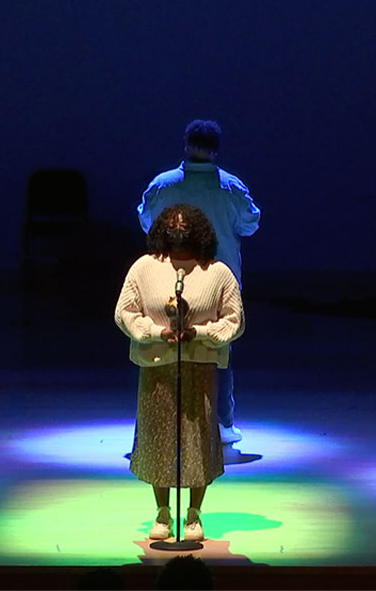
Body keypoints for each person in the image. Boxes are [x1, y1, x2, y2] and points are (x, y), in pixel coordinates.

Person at [115, 204, 244, 542]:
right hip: (157, 366)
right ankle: (161, 511)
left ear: (199, 231)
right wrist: (156, 333)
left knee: (197, 439)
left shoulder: (217, 273)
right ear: (161, 229)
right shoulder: (144, 268)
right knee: (159, 437)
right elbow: (124, 312)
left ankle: (194, 513)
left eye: (185, 224)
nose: (178, 229)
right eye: (172, 223)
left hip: (198, 366)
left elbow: (235, 320)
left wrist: (200, 333)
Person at [137, 119, 260, 445]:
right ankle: (220, 423)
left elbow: (146, 221)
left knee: (167, 347)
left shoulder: (164, 185)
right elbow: (250, 224)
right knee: (218, 349)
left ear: (185, 144)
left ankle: (167, 420)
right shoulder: (231, 187)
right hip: (219, 282)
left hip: (169, 279)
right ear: (216, 151)